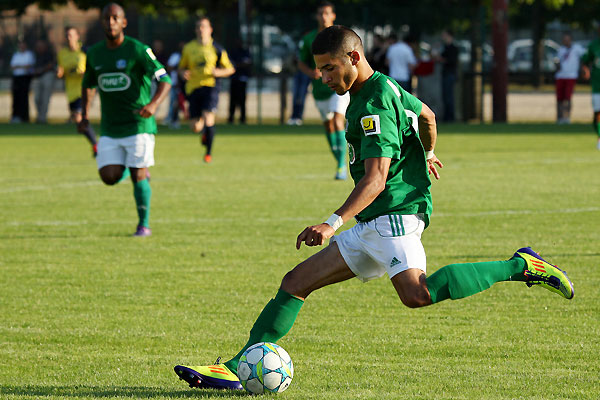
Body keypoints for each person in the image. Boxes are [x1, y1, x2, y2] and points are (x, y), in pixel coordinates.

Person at [173, 25, 574, 391]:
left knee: (417, 294)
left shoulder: (374, 104)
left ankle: (521, 266)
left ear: (353, 58)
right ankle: (235, 368)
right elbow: (428, 115)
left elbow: (376, 178)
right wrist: (429, 150)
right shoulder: (385, 89)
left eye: (329, 68)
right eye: (319, 70)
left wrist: (332, 223)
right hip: (373, 222)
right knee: (295, 282)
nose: (324, 77)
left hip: (394, 215)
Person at [78, 3, 171, 237]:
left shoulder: (138, 49)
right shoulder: (95, 53)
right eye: (106, 18)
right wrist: (85, 114)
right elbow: (88, 84)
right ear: (102, 22)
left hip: (139, 124)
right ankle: (135, 168)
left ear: (124, 22)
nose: (111, 22)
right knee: (108, 177)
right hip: (110, 126)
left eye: (115, 18)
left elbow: (165, 79)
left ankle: (144, 225)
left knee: (139, 174)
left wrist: (153, 104)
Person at [297, 1, 349, 180]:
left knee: (337, 120)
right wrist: (311, 72)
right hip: (320, 89)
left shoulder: (340, 36)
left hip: (339, 87)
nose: (324, 17)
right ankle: (339, 161)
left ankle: (342, 165)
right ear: (317, 16)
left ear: (333, 15)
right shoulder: (309, 38)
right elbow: (301, 62)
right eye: (321, 13)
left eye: (327, 13)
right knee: (328, 125)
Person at [179, 16, 235, 163]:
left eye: (203, 26)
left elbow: (230, 69)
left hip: (211, 86)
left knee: (209, 118)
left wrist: (218, 72)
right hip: (193, 87)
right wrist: (183, 73)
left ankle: (208, 154)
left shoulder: (217, 49)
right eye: (198, 26)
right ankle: (205, 134)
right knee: (195, 127)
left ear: (210, 29)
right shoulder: (188, 48)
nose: (200, 29)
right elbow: (181, 68)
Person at [57, 26, 98, 155]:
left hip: (85, 90)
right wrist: (60, 73)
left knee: (79, 117)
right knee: (78, 122)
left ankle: (96, 145)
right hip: (71, 92)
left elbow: (94, 68)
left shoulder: (85, 51)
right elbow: (61, 71)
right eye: (67, 35)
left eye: (71, 35)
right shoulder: (62, 53)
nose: (69, 38)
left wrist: (86, 74)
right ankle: (96, 143)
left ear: (77, 37)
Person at [555, 33, 584, 125]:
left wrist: (583, 68)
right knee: (559, 98)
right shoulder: (561, 50)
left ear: (571, 40)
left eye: (567, 39)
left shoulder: (577, 49)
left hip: (571, 76)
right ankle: (559, 117)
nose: (566, 41)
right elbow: (557, 61)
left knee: (568, 98)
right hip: (560, 76)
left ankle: (567, 117)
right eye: (564, 40)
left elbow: (585, 56)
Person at [287, 34, 312, 126]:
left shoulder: (308, 47)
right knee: (295, 96)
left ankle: (298, 117)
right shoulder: (297, 48)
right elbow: (293, 61)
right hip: (297, 73)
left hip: (305, 74)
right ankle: (293, 116)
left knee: (301, 96)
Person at [581, 29, 600, 149]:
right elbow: (584, 61)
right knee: (597, 114)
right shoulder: (594, 46)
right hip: (597, 85)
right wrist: (585, 70)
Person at [228, 38, 252, 124]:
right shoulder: (233, 52)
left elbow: (247, 63)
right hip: (234, 79)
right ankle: (231, 118)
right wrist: (240, 64)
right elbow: (230, 64)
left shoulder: (245, 52)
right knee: (233, 100)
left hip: (243, 79)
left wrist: (238, 65)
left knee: (242, 100)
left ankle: (243, 119)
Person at [10, 41, 35, 123]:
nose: (21, 47)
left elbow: (29, 66)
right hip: (16, 78)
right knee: (16, 98)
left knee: (24, 98)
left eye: (23, 46)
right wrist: (22, 66)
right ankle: (15, 116)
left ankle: (24, 117)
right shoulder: (16, 55)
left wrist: (18, 66)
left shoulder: (29, 54)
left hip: (25, 78)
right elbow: (13, 67)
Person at [32, 39, 56, 124]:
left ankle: (42, 118)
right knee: (37, 98)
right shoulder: (35, 55)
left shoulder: (49, 54)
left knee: (45, 98)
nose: (39, 48)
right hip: (37, 77)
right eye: (37, 46)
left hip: (47, 75)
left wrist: (41, 70)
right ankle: (39, 115)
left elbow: (51, 64)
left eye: (40, 46)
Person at [439, 29, 458, 122]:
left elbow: (450, 60)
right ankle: (447, 117)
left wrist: (440, 59)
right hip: (446, 74)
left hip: (450, 74)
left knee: (449, 97)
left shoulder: (453, 48)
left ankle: (450, 118)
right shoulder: (445, 47)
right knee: (445, 96)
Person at [165, 42, 184, 129]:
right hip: (176, 84)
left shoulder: (190, 55)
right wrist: (178, 69)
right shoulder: (175, 56)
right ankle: (173, 120)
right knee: (174, 103)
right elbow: (169, 67)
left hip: (187, 84)